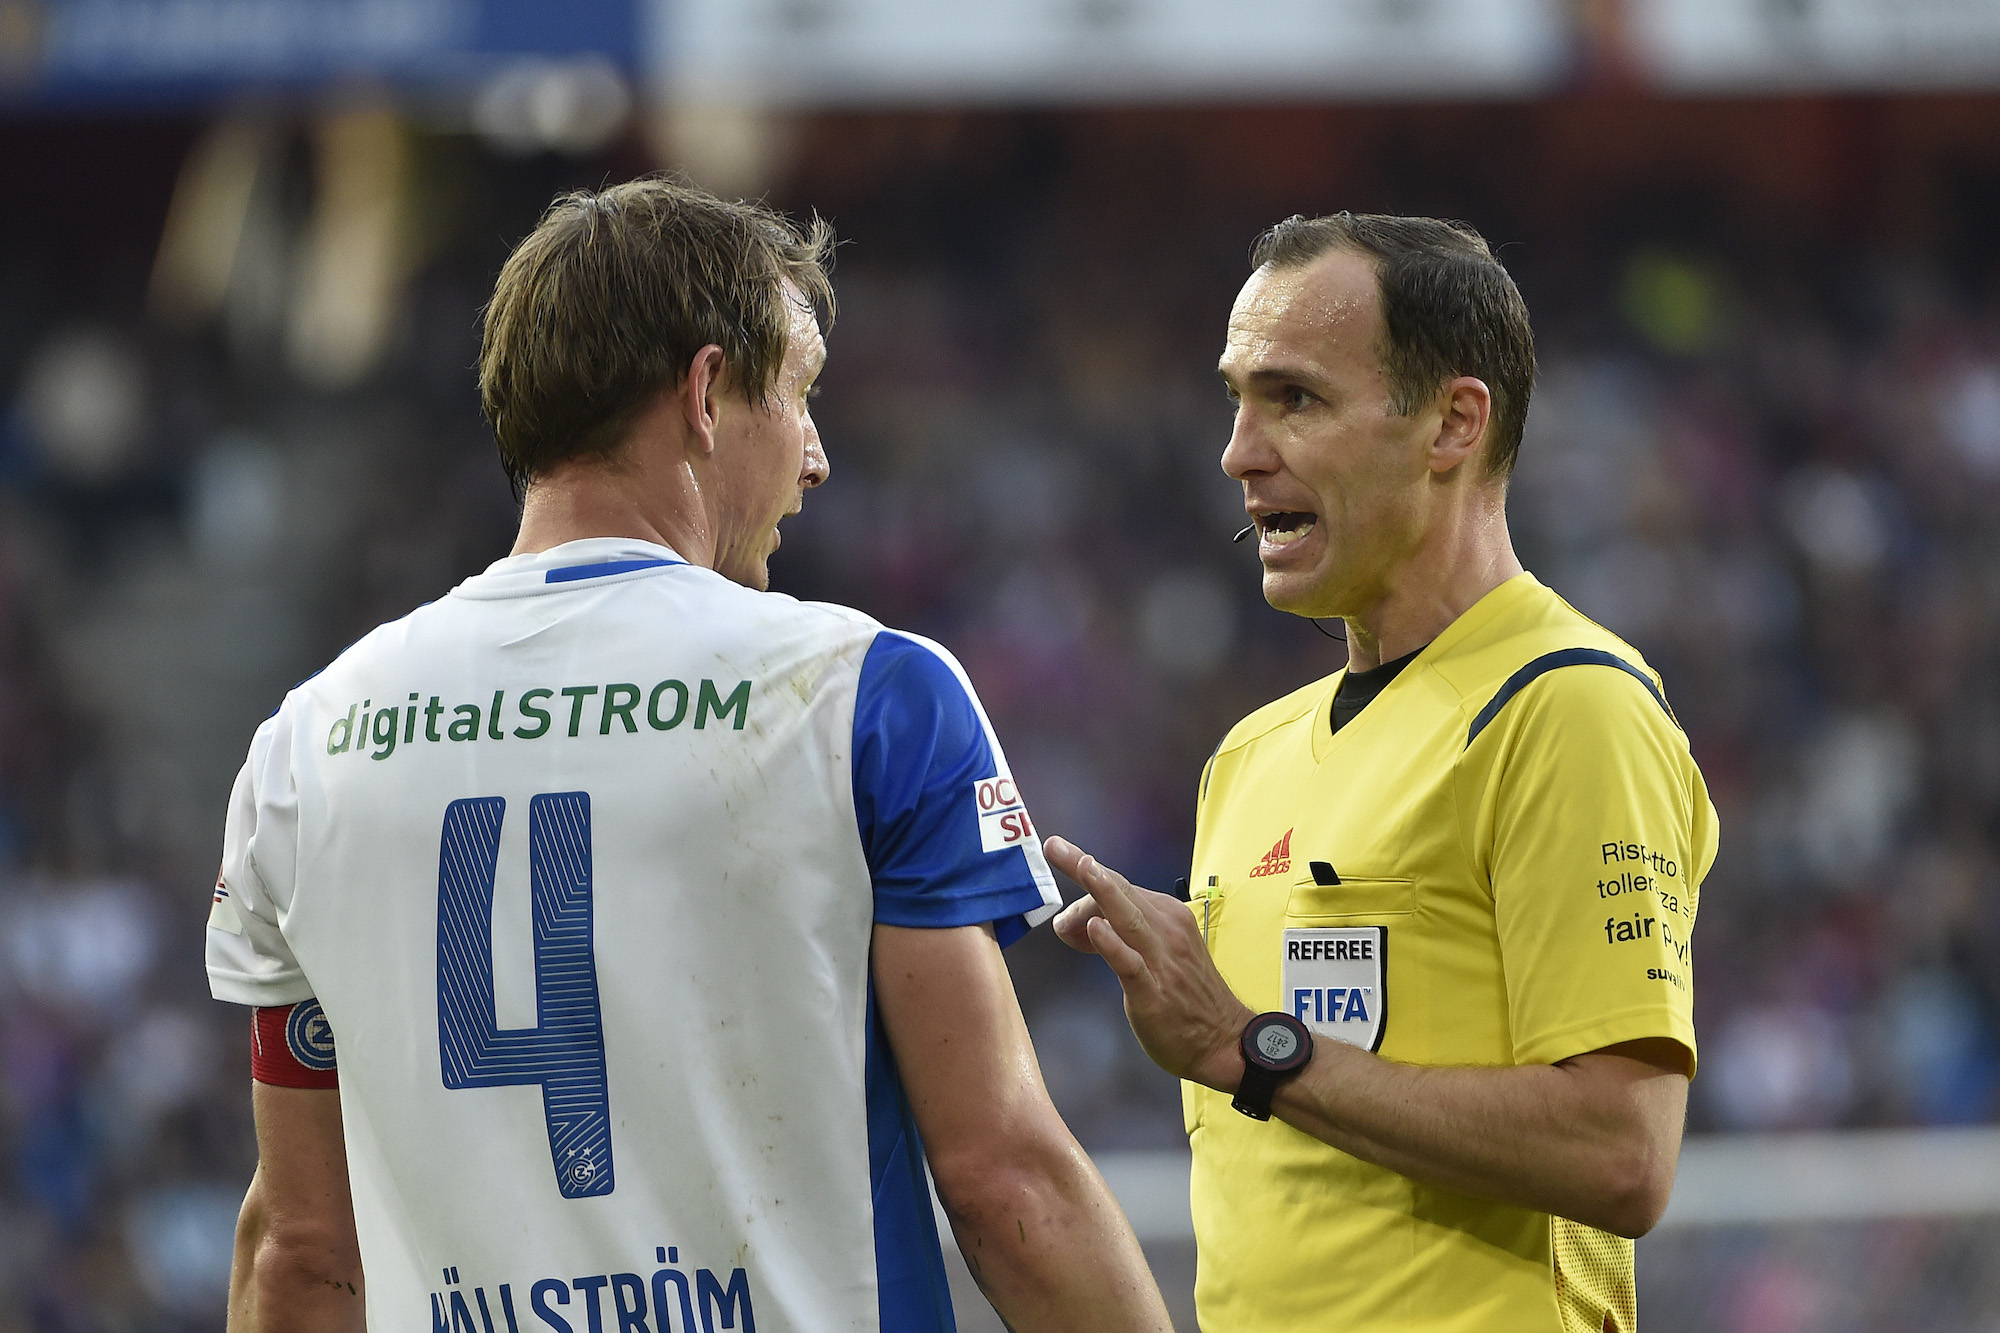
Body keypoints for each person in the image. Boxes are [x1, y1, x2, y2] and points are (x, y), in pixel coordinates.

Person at [206, 178, 1171, 1333]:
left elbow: (302, 1250)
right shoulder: (862, 694)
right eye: (800, 395)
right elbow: (1003, 1181)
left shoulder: (303, 748)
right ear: (707, 394)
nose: (814, 457)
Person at [1044, 212, 1718, 1333]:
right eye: (1236, 397)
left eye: (1293, 399)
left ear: (1452, 422)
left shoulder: (1564, 705)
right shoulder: (1248, 757)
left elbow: (1618, 1152)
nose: (1238, 451)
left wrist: (1246, 1044)